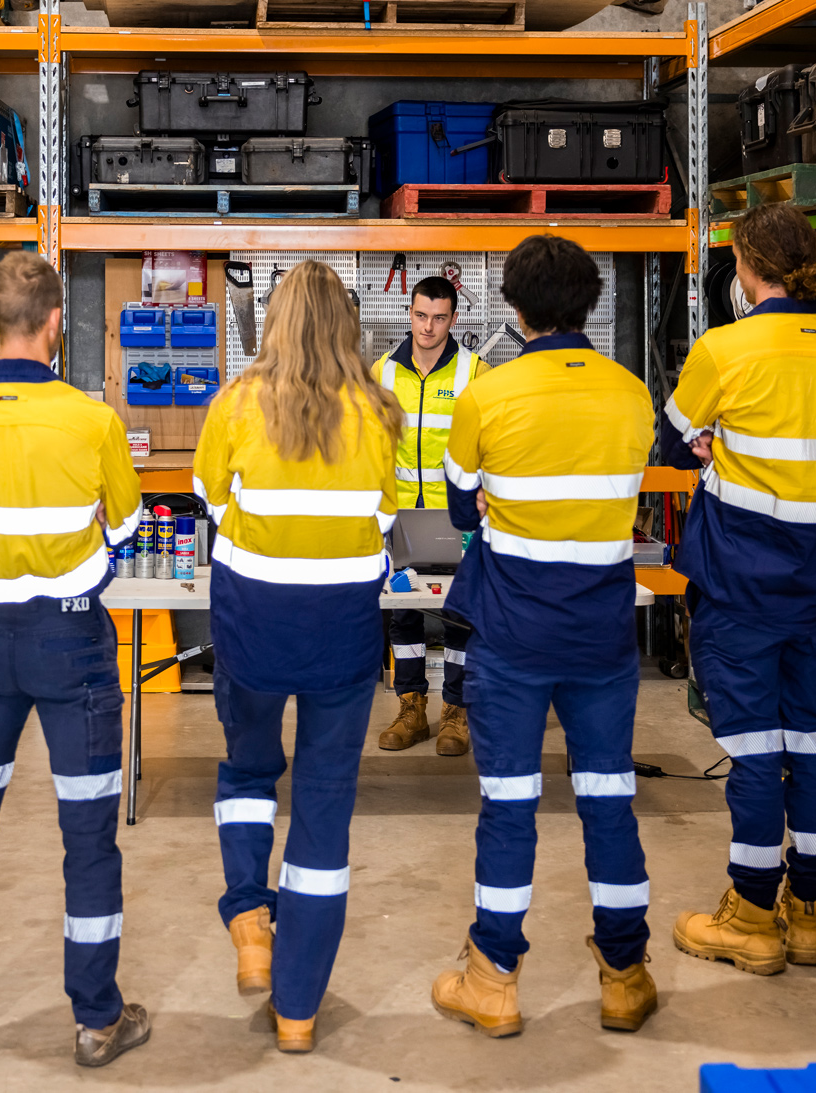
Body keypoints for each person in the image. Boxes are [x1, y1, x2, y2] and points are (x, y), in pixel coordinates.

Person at [0, 251, 151, 1067]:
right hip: (73, 641)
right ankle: (95, 1018)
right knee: (87, 835)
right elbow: (123, 529)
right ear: (57, 324)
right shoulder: (93, 421)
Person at [431, 235, 657, 1037]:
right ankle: (625, 976)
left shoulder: (488, 395)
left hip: (514, 636)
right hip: (602, 633)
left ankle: (492, 979)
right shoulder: (631, 394)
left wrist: (498, 503)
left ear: (515, 308)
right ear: (589, 303)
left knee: (509, 804)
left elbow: (462, 511)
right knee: (609, 799)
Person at [193, 260, 402, 1054]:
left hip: (252, 626)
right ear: (347, 326)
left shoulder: (236, 403)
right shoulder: (380, 413)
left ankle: (250, 916)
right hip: (341, 634)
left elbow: (213, 501)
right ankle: (299, 1009)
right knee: (323, 805)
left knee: (248, 771)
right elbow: (384, 520)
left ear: (274, 323)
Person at [663, 203, 816, 975]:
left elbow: (675, 432)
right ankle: (807, 914)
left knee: (754, 751)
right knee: (809, 741)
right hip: (810, 585)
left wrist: (712, 445)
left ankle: (750, 915)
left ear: (747, 270)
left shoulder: (727, 346)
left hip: (738, 584)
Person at [372, 277, 485, 756]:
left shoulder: (475, 372)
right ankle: (412, 707)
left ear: (454, 319)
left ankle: (455, 712)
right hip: (399, 517)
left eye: (439, 318)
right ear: (409, 313)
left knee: (460, 615)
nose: (428, 327)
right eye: (421, 316)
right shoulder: (382, 372)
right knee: (402, 615)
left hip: (458, 518)